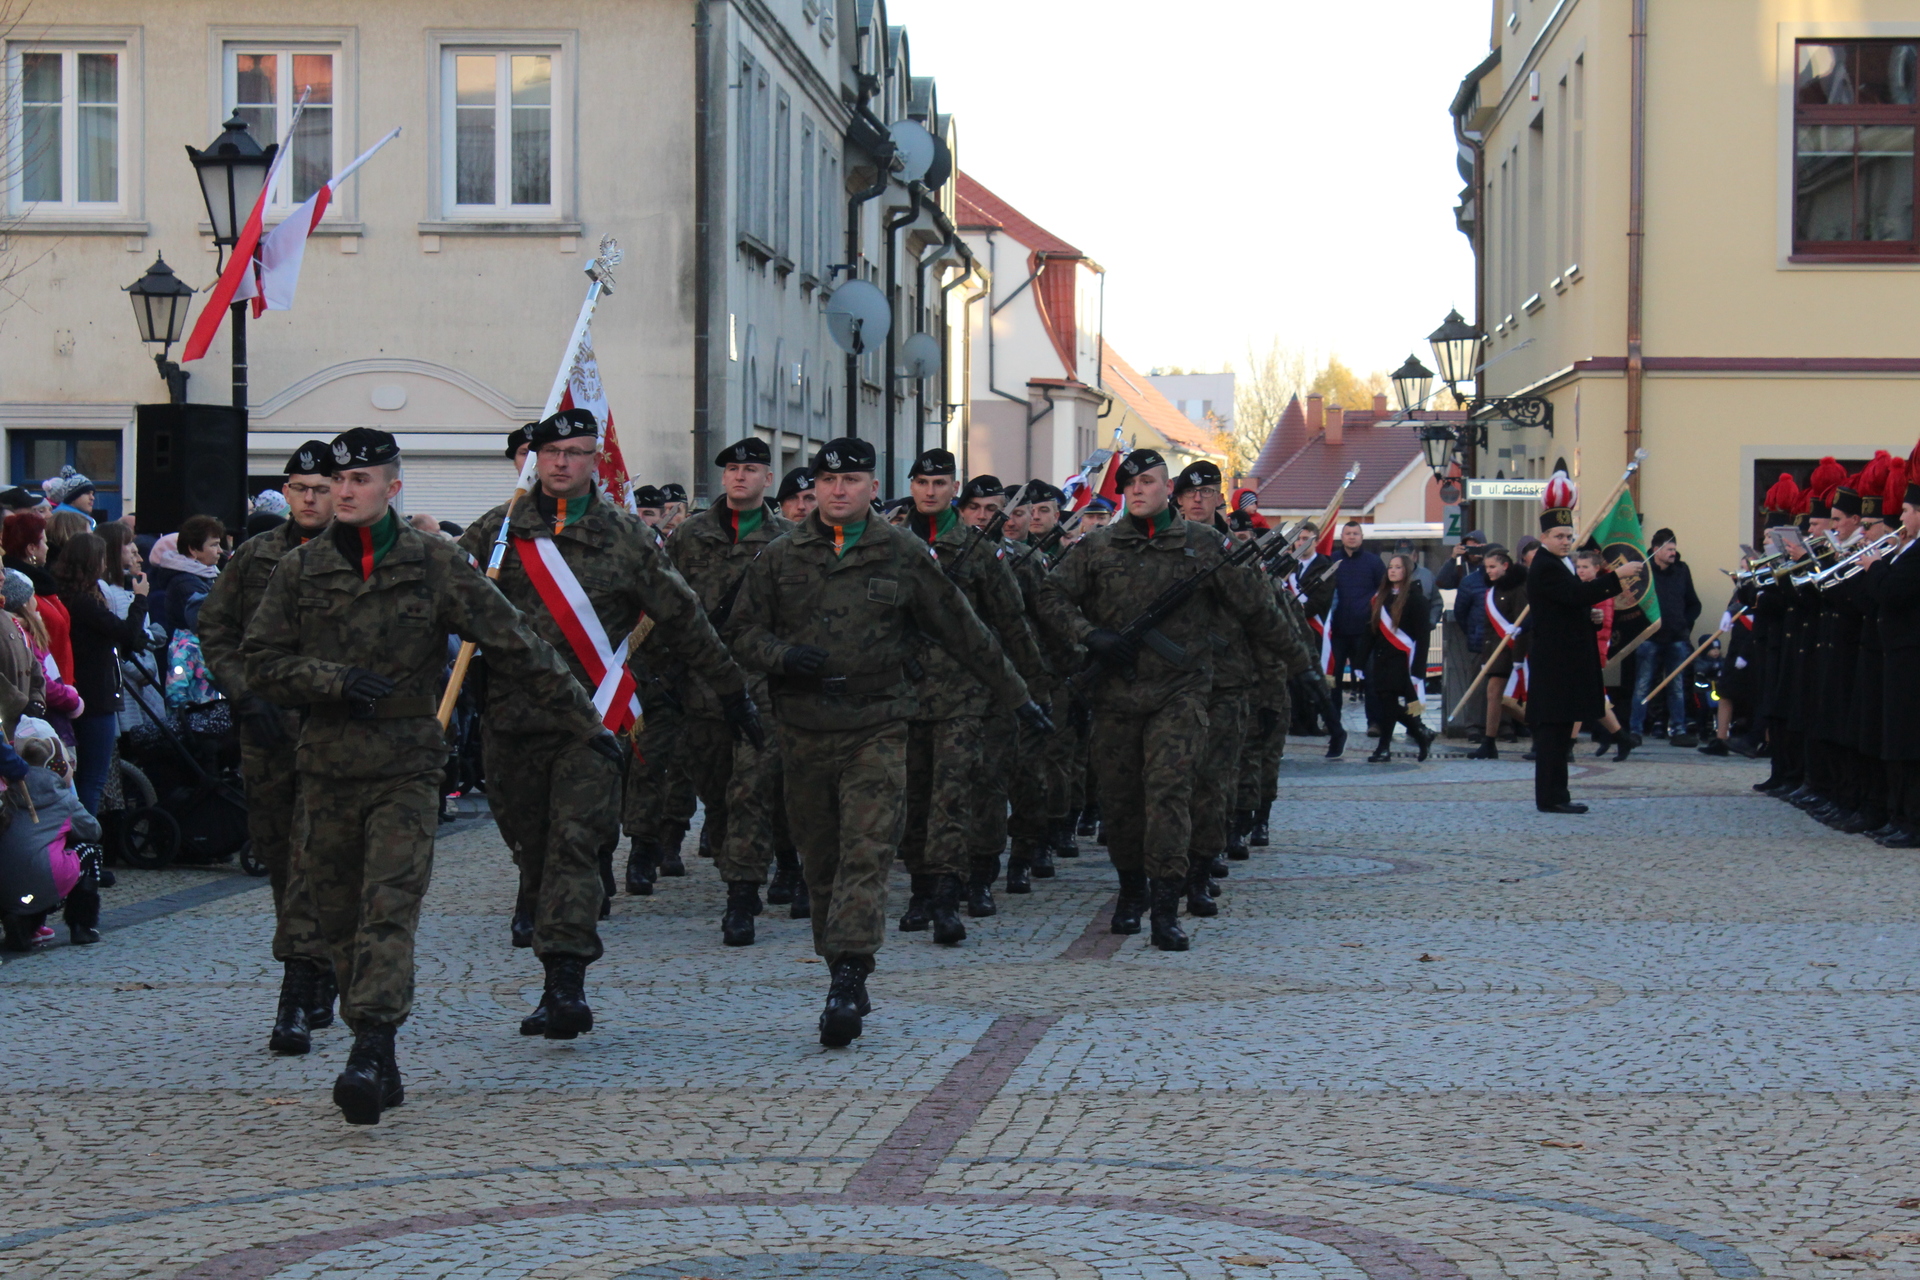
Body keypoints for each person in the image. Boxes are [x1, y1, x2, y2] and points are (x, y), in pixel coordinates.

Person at [244, 428, 613, 1124]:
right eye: (337, 482)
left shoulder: (432, 563)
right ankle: (370, 1037)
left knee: (388, 908)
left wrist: (586, 725)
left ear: (392, 486)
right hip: (324, 767)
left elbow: (518, 643)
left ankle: (372, 1047)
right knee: (339, 915)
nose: (345, 492)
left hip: (405, 767)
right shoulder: (297, 572)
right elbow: (260, 661)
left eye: (360, 480)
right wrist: (331, 679)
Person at [725, 436, 1047, 1047]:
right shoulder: (779, 556)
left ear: (874, 488)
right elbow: (741, 632)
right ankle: (838, 960)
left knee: (867, 850)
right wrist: (782, 655)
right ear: (813, 489)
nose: (839, 491)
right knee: (821, 860)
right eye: (827, 481)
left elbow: (966, 630)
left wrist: (1021, 697)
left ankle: (849, 974)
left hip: (877, 725)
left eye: (852, 481)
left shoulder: (901, 553)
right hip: (804, 727)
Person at [463, 410, 754, 1028]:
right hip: (511, 721)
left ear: (596, 460)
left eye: (576, 452)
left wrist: (732, 691)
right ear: (534, 458)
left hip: (591, 724)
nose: (562, 462)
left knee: (575, 845)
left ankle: (564, 985)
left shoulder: (624, 535)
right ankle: (544, 921)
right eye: (551, 451)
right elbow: (438, 599)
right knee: (532, 845)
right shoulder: (499, 531)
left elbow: (683, 617)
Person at [1035, 449, 1285, 953]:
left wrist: (1294, 673)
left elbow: (1257, 610)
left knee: (1170, 793)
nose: (1137, 491)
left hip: (1181, 692)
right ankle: (1132, 891)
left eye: (1147, 482)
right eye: (1129, 485)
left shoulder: (1205, 544)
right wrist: (1092, 636)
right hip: (1116, 695)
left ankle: (1168, 905)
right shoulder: (1098, 547)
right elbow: (1049, 596)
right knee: (1122, 802)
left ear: (1166, 488)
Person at [197, 441, 339, 1055]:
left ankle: (299, 984)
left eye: (321, 488)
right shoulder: (255, 557)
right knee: (285, 858)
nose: (309, 499)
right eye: (299, 489)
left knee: (326, 857)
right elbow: (216, 629)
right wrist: (242, 691)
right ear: (286, 491)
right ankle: (316, 963)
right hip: (268, 733)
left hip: (339, 732)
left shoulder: (362, 554)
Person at [896, 449, 1046, 942]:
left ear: (953, 487)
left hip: (967, 696)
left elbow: (1010, 621)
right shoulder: (891, 545)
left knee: (955, 795)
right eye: (923, 482)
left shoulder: (979, 549)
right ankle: (920, 889)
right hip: (903, 694)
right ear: (912, 486)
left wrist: (1028, 688)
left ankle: (949, 893)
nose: (931, 491)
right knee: (913, 796)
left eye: (941, 482)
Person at [659, 435, 795, 945]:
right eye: (732, 468)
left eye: (751, 469)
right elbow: (665, 607)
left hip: (762, 683)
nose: (740, 476)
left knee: (753, 790)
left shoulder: (787, 541)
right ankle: (762, 862)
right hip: (703, 687)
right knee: (717, 793)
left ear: (767, 479)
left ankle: (742, 897)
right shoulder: (689, 537)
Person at [1525, 473, 1642, 813]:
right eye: (1559, 536)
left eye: (1569, 535)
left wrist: (1587, 618)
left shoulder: (1558, 563)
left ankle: (1558, 795)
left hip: (1564, 657)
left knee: (1561, 733)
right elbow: (1574, 595)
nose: (1566, 541)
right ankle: (1551, 797)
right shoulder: (1546, 566)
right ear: (1544, 537)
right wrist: (1615, 578)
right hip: (1554, 662)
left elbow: (1567, 605)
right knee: (1552, 734)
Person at [53, 532, 149, 815]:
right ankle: (86, 847)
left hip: (80, 692)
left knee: (80, 775)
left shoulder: (68, 597)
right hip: (95, 695)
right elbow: (126, 633)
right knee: (93, 778)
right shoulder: (85, 603)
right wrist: (140, 600)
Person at [1628, 530, 1702, 744]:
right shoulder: (1643, 572)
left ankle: (1678, 730)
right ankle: (1635, 730)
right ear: (1655, 550)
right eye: (1669, 549)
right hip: (1649, 638)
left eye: (1674, 548)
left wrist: (1684, 624)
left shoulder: (1682, 570)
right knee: (1643, 684)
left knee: (1677, 685)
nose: (1673, 552)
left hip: (1677, 638)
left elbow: (1693, 603)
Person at [1365, 554, 1437, 762]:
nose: (1393, 570)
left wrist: (1418, 669)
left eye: (1398, 567)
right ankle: (1420, 732)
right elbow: (1370, 630)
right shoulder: (1380, 598)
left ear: (1406, 571)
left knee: (1390, 701)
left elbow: (1423, 637)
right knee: (1388, 703)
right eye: (1390, 567)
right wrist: (1361, 660)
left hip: (1403, 659)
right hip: (1382, 658)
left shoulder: (1416, 599)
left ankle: (1384, 747)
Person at [1466, 546, 1527, 760]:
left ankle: (1541, 732)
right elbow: (1489, 628)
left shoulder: (1518, 589)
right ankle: (1489, 742)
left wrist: (1519, 660)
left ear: (1505, 566)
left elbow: (1522, 624)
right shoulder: (1492, 591)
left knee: (1506, 700)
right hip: (1496, 651)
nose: (1488, 571)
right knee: (1494, 695)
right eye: (1486, 567)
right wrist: (1485, 656)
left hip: (1512, 652)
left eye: (1493, 567)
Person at [1573, 548, 1632, 759]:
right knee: (1595, 699)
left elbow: (1603, 627)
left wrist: (1594, 654)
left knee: (1579, 698)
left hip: (1592, 650)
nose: (1580, 571)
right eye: (1578, 567)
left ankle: (1568, 746)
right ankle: (1621, 738)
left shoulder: (1599, 591)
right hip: (1583, 650)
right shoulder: (1584, 588)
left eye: (1585, 567)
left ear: (1596, 569)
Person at [3, 512, 72, 685]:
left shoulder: (43, 584)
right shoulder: (19, 590)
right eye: (44, 542)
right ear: (31, 548)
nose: (48, 547)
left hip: (62, 685)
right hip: (49, 689)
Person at [1326, 519, 1385, 713]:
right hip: (1337, 631)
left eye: (1355, 534)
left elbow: (1383, 592)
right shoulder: (1331, 561)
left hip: (1365, 631)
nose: (1352, 537)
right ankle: (1332, 721)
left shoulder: (1374, 562)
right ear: (1342, 537)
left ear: (1362, 537)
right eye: (1348, 533)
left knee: (1370, 678)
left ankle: (1374, 722)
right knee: (1332, 679)